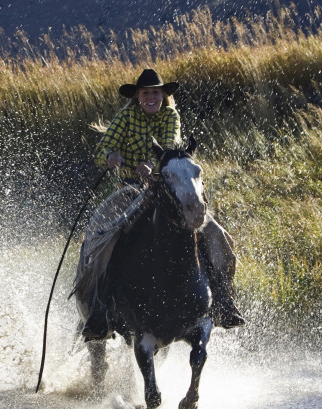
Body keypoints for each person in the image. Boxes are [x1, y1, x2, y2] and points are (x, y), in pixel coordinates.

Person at [75, 68, 245, 340]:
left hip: (168, 189)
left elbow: (169, 146)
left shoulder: (170, 116)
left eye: (155, 92)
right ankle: (99, 307)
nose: (151, 97)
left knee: (216, 234)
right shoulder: (125, 117)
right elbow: (102, 149)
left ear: (163, 95)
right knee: (103, 239)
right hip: (129, 190)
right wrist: (111, 156)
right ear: (138, 97)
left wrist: (154, 166)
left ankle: (224, 299)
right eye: (145, 93)